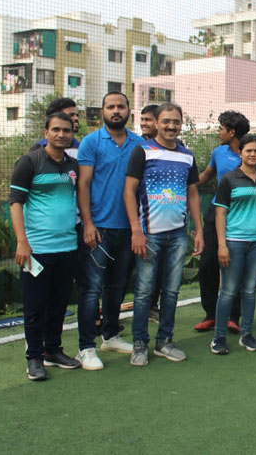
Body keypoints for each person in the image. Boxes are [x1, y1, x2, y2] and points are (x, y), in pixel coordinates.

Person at [124, 102, 204, 366]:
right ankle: (139, 344)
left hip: (178, 236)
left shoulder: (187, 156)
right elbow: (129, 191)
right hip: (149, 235)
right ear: (156, 123)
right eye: (166, 121)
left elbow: (193, 194)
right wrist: (136, 230)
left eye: (176, 122)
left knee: (171, 292)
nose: (171, 126)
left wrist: (198, 230)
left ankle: (164, 341)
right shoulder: (142, 151)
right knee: (144, 292)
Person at [75, 91, 145, 370]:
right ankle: (86, 347)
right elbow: (83, 185)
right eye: (110, 107)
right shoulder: (91, 142)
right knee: (91, 289)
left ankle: (111, 335)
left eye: (121, 106)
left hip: (128, 228)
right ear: (102, 111)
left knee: (117, 286)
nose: (116, 111)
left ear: (129, 110)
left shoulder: (140, 144)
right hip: (99, 228)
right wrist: (88, 223)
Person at [10, 113, 81, 380]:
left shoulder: (73, 165)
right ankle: (34, 358)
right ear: (46, 132)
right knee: (35, 307)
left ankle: (53, 350)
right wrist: (22, 242)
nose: (62, 134)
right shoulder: (29, 162)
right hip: (36, 250)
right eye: (56, 130)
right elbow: (15, 203)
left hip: (67, 247)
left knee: (59, 304)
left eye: (66, 130)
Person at [194, 111, 256, 333]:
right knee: (207, 263)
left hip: (241, 220)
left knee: (236, 267)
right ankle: (211, 314)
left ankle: (233, 316)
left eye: (221, 129)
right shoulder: (219, 152)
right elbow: (206, 174)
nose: (219, 132)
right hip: (216, 213)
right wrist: (186, 186)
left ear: (232, 131)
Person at [210, 135, 256, 355]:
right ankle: (218, 337)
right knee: (228, 291)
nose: (253, 154)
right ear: (241, 153)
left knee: (249, 291)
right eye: (249, 150)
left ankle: (246, 335)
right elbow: (220, 213)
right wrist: (222, 245)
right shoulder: (229, 179)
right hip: (234, 241)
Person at [140, 103, 163, 323]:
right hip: (138, 219)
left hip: (163, 223)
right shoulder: (137, 146)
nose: (144, 123)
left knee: (159, 269)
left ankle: (152, 307)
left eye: (148, 120)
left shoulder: (177, 148)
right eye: (142, 119)